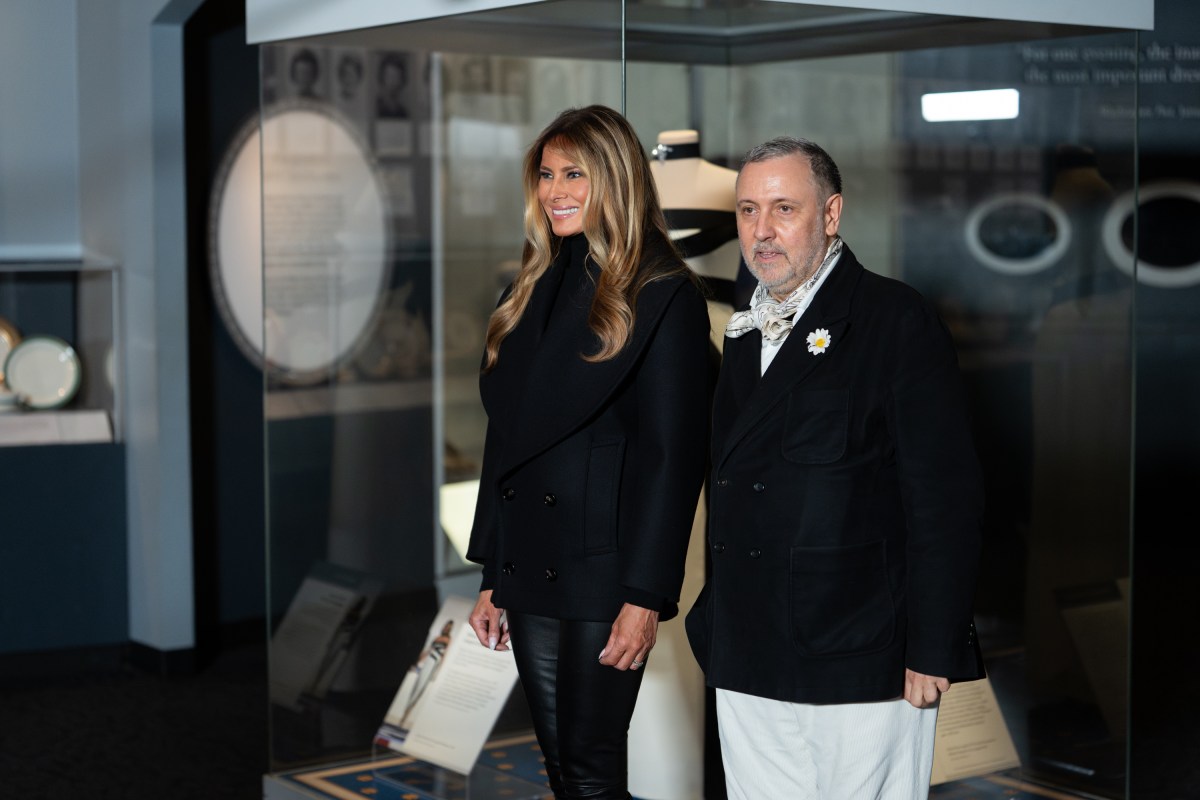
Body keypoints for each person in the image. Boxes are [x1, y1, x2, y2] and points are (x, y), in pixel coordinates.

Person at [685, 136, 985, 799]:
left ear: (831, 213)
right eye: (747, 211)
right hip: (749, 650)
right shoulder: (741, 333)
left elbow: (944, 500)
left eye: (784, 208)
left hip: (861, 655)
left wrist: (932, 647)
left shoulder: (894, 320)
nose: (761, 232)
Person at [466, 105, 711, 799]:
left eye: (574, 173)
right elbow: (506, 438)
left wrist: (644, 596)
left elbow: (673, 458)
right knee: (565, 773)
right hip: (534, 561)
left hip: (605, 574)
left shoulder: (664, 293)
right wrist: (492, 569)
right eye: (545, 174)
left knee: (594, 772)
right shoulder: (532, 284)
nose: (554, 190)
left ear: (617, 178)